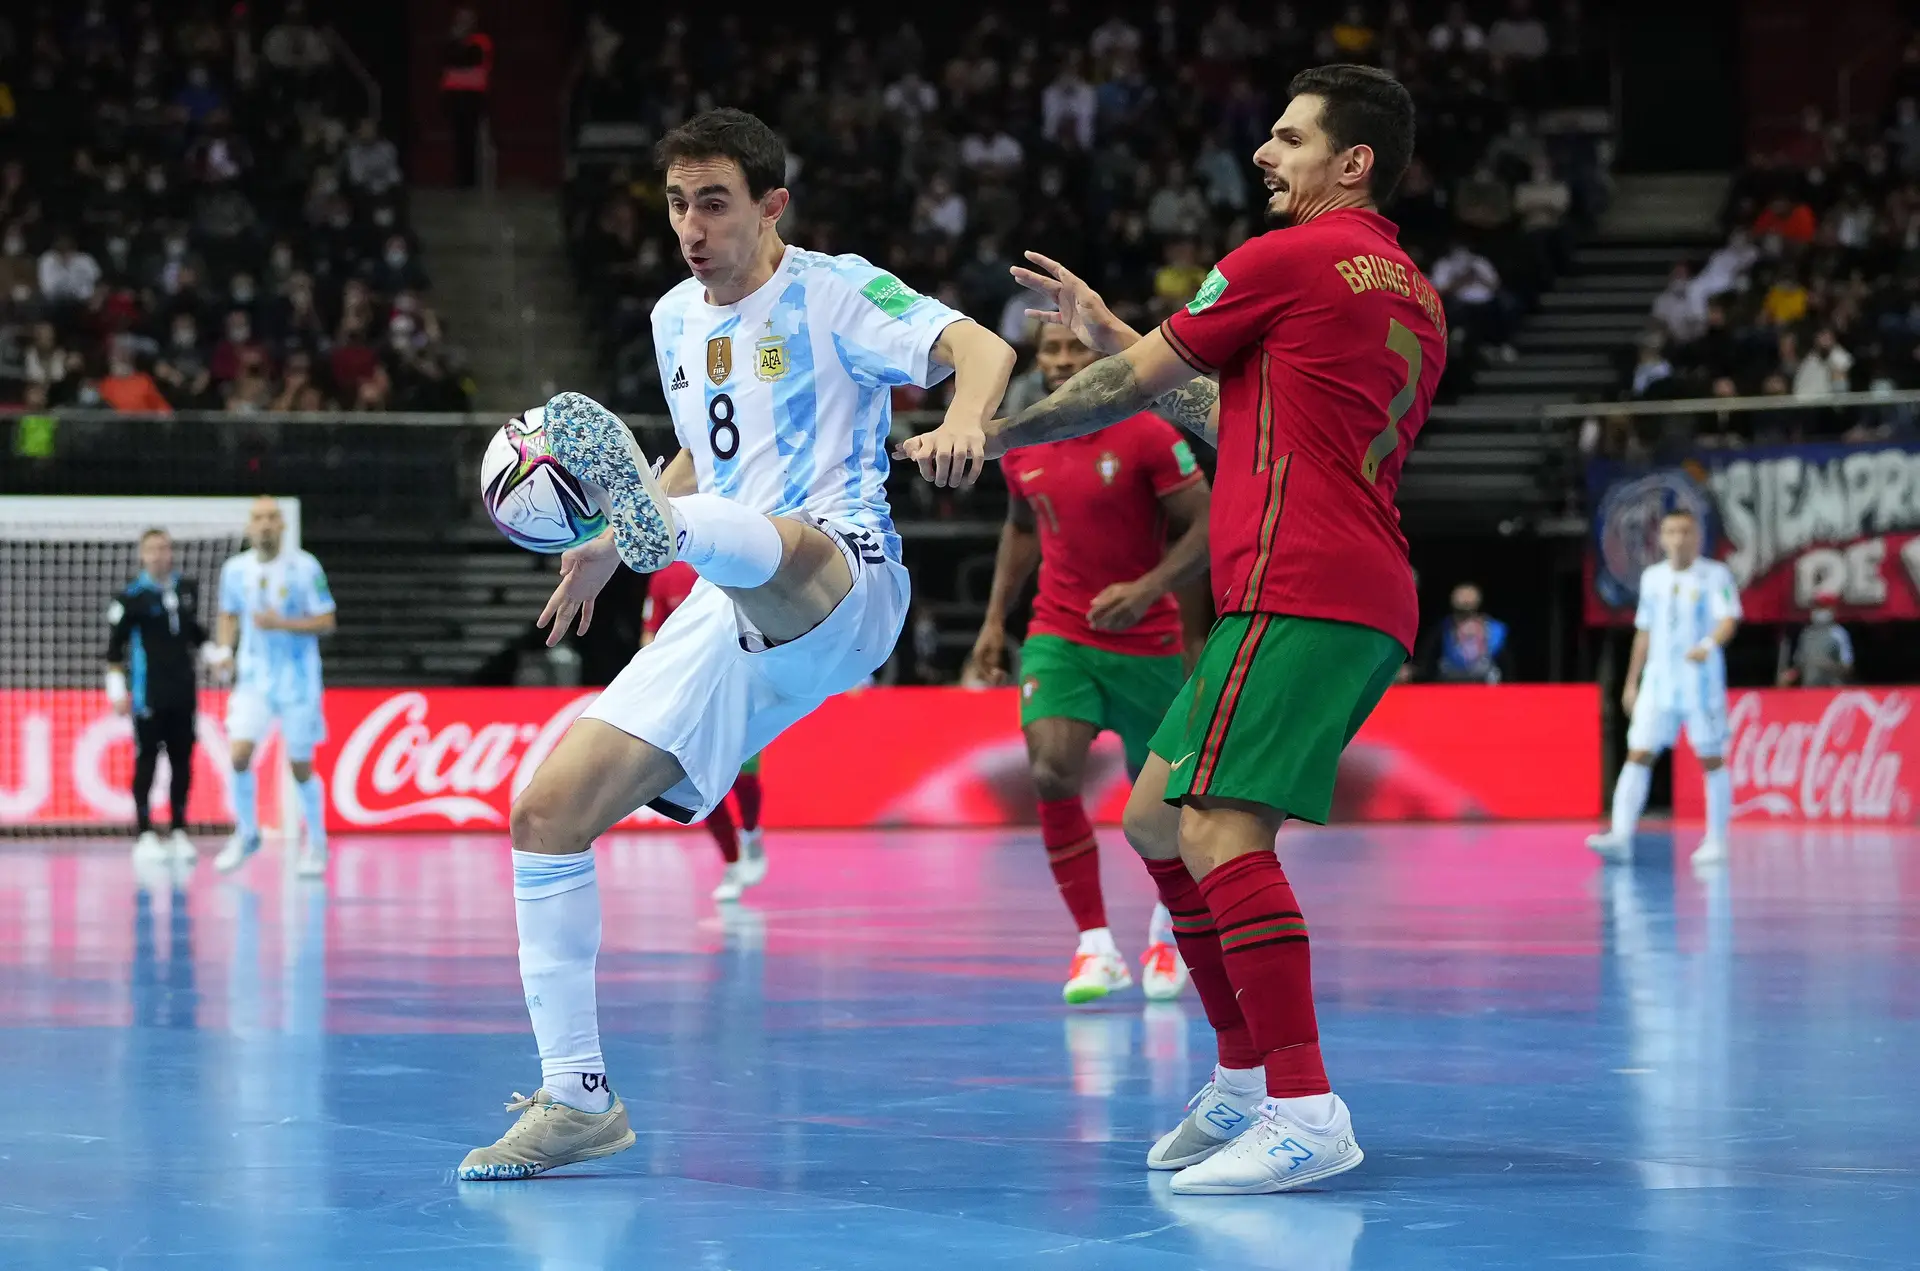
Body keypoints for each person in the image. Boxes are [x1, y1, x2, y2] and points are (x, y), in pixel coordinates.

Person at [903, 64, 1445, 1196]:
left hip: (1303, 584)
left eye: (1291, 139)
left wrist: (982, 436)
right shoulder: (1404, 286)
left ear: (1354, 163)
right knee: (1155, 815)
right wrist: (1112, 327)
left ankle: (1303, 1104)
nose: (1266, 153)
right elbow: (1222, 409)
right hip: (1349, 584)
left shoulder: (1285, 257)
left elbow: (1117, 393)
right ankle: (1244, 1076)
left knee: (1218, 836)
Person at [458, 108, 1015, 1182]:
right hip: (723, 592)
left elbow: (977, 347)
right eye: (675, 203)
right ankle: (579, 1096)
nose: (690, 226)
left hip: (842, 574)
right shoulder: (675, 318)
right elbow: (700, 453)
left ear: (771, 205)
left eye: (712, 201)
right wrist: (623, 544)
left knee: (778, 541)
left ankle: (660, 534)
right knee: (543, 811)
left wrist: (968, 419)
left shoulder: (832, 287)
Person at [968, 322, 1212, 1005]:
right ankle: (1095, 945)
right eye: (1050, 351)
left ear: (1104, 362)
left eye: (1075, 349)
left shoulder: (1150, 435)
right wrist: (994, 621)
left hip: (1147, 639)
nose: (1061, 361)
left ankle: (1169, 928)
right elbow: (1020, 530)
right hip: (1059, 630)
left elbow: (1212, 521)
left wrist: (1149, 587)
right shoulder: (1024, 441)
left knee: (1161, 808)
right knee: (1049, 768)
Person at [1586, 508, 1742, 867]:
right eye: (1671, 532)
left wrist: (1706, 646)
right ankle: (1621, 835)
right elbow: (1644, 630)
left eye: (1685, 532)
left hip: (1700, 683)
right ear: (1662, 537)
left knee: (1710, 757)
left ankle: (1717, 840)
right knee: (1639, 753)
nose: (1678, 539)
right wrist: (1631, 682)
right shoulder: (1653, 578)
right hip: (1659, 682)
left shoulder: (1714, 575)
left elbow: (1729, 619)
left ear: (1697, 536)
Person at [212, 497, 337, 879]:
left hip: (298, 679)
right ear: (250, 527)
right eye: (257, 519)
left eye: (271, 518)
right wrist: (223, 651)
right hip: (254, 678)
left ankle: (316, 842)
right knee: (237, 754)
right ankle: (247, 833)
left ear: (282, 526)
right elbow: (229, 614)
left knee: (300, 766)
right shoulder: (235, 570)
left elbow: (327, 620)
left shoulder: (304, 567)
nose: (265, 525)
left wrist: (281, 623)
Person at [641, 559, 768, 902]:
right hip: (690, 693)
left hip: (738, 684)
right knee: (700, 784)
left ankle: (752, 833)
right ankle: (731, 862)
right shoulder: (664, 578)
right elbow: (651, 632)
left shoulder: (731, 563)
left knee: (743, 777)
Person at [106, 529, 215, 865]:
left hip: (183, 693)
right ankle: (144, 832)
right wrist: (116, 690)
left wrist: (215, 654)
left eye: (164, 548)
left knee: (183, 761)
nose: (158, 555)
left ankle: (180, 830)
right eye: (151, 549)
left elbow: (196, 633)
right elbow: (113, 651)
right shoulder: (130, 599)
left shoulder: (187, 589)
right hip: (147, 694)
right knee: (147, 762)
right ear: (142, 555)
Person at [1411, 581, 1512, 683]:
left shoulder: (1496, 631)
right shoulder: (1442, 629)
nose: (1467, 624)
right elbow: (1426, 662)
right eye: (1461, 615)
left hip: (1487, 687)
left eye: (1471, 614)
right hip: (1448, 686)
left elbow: (1507, 667)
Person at [1778, 605, 1853, 687]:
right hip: (1810, 688)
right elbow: (1800, 665)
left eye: (1823, 608)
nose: (1820, 612)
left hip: (1832, 688)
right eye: (1818, 608)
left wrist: (1827, 664)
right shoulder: (1806, 634)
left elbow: (1848, 667)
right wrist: (1788, 675)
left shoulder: (1839, 634)